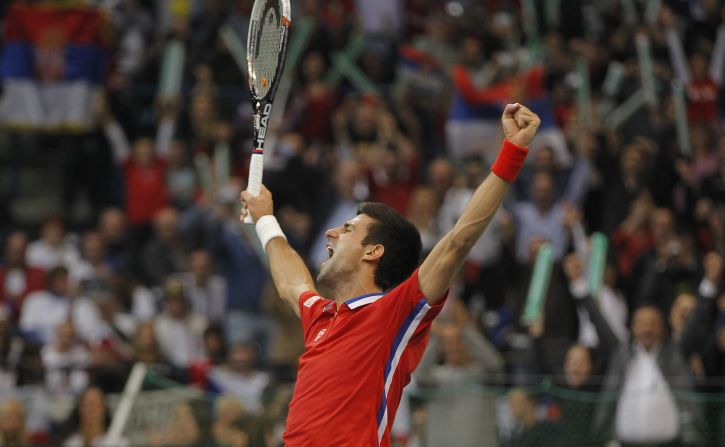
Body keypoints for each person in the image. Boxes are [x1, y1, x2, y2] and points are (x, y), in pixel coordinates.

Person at [241, 103, 540, 446]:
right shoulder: (322, 317)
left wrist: (512, 151)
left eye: (348, 229)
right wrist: (265, 219)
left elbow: (458, 241)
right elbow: (292, 283)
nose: (331, 233)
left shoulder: (394, 313)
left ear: (373, 251)